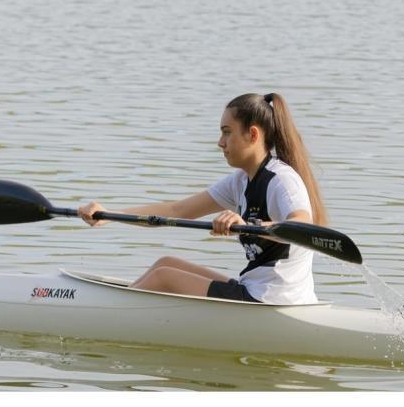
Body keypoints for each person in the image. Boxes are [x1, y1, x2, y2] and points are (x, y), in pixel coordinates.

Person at [78, 92, 327, 305]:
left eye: (227, 133)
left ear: (252, 135)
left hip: (274, 300)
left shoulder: (281, 181)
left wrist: (248, 226)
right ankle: (114, 312)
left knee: (164, 277)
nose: (220, 143)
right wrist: (109, 215)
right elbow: (178, 210)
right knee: (165, 263)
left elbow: (302, 226)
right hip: (254, 290)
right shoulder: (240, 181)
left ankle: (104, 319)